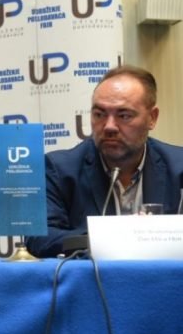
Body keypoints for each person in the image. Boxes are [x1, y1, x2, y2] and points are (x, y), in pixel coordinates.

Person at [26, 65, 183, 258]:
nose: (109, 126)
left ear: (152, 118)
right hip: (91, 277)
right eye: (99, 114)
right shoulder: (59, 170)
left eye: (124, 115)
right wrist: (113, 237)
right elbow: (39, 238)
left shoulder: (179, 169)